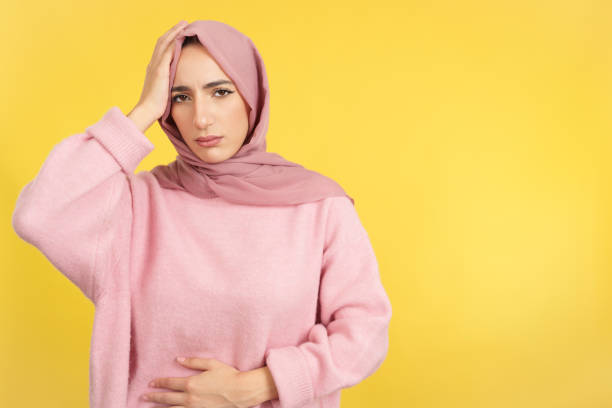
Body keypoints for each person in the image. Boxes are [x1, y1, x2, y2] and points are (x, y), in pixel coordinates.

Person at [11, 19, 392, 408]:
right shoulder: (137, 205)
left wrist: (259, 385)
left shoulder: (318, 207)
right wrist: (142, 111)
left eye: (220, 92)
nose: (201, 118)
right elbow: (38, 215)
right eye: (180, 97)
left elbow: (366, 332)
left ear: (251, 96)